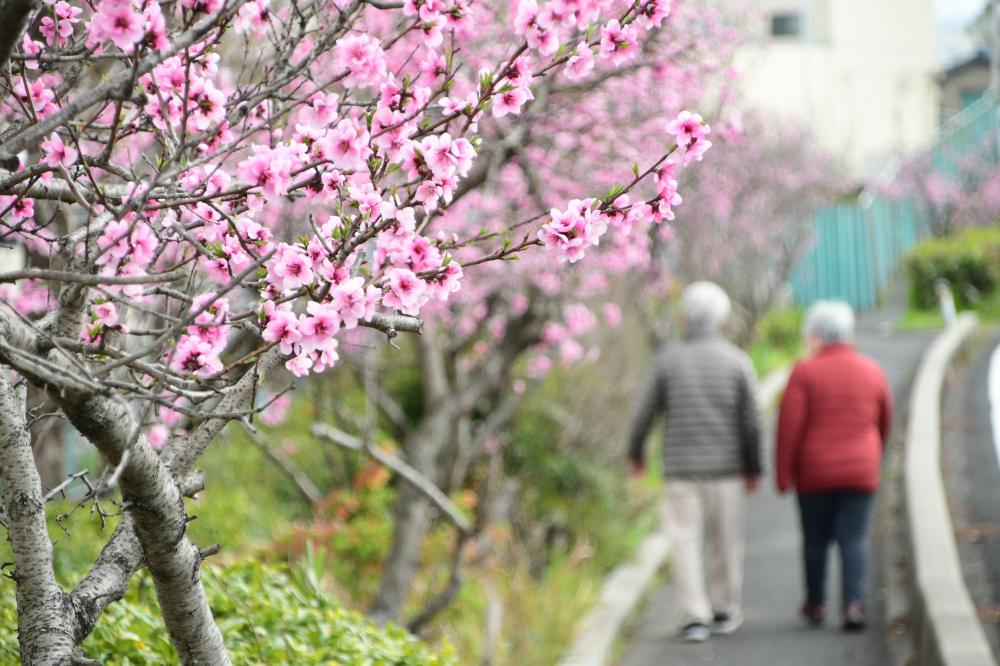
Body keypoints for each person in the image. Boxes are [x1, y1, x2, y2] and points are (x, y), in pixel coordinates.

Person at [628, 281, 763, 643]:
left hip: (680, 468)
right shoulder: (738, 361)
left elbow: (643, 413)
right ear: (721, 319)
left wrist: (636, 453)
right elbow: (752, 422)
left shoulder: (667, 360)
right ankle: (723, 608)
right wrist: (754, 467)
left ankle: (694, 616)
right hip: (728, 469)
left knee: (684, 540)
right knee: (726, 540)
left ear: (685, 317)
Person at [775, 300, 892, 631]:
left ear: (816, 336)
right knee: (854, 537)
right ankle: (853, 605)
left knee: (815, 540)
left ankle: (816, 603)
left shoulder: (804, 372)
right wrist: (873, 455)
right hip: (861, 470)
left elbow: (790, 427)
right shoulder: (872, 369)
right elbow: (884, 419)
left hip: (815, 474)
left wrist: (784, 474)